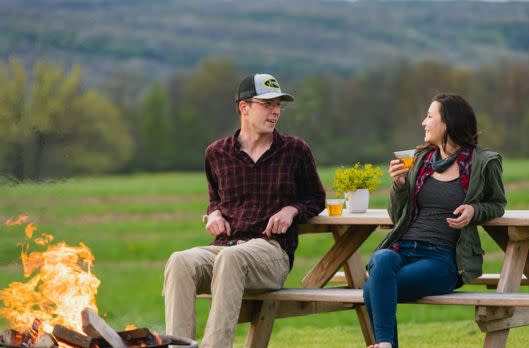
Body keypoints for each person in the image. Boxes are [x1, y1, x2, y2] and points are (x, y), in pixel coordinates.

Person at [163, 73, 325, 348]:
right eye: (268, 104)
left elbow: (315, 198)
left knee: (231, 259)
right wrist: (213, 213)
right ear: (244, 107)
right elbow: (216, 199)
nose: (275, 112)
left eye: (278, 105)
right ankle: (178, 346)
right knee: (180, 261)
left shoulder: (295, 150)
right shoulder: (216, 154)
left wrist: (291, 209)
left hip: (271, 252)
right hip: (225, 246)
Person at [363, 94, 506, 348]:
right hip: (404, 249)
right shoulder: (421, 161)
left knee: (373, 288)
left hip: (444, 259)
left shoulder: (482, 162)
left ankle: (384, 344)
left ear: (447, 124)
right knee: (382, 259)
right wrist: (398, 186)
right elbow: (397, 216)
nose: (423, 122)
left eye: (430, 116)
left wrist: (474, 210)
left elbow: (497, 204)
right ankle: (385, 345)